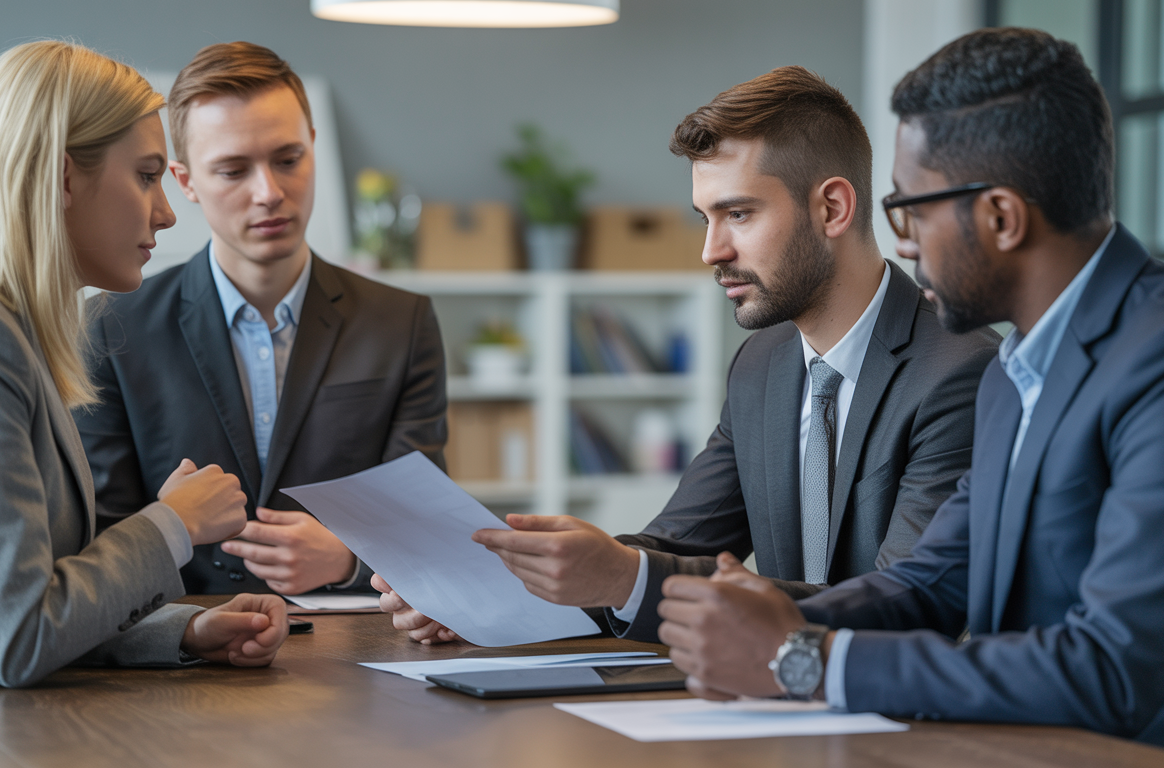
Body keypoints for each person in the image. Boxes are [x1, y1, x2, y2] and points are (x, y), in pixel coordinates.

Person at [656, 28, 1164, 766]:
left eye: (913, 212)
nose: (902, 243)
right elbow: (932, 582)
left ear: (1000, 217)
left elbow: (1110, 668)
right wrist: (763, 618)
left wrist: (802, 658)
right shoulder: (1019, 365)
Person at [376, 66, 997, 644]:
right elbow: (674, 543)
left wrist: (624, 577)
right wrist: (482, 596)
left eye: (738, 214)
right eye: (705, 217)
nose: (710, 251)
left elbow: (906, 605)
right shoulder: (762, 365)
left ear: (832, 208)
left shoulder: (959, 372)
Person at [0, 40, 288, 687]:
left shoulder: (15, 332)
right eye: (146, 176)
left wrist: (181, 631)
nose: (168, 213)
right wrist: (175, 523)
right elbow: (16, 638)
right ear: (61, 177)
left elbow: (5, 618)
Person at [76, 42, 448, 596]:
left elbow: (427, 523)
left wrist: (350, 561)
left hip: (360, 649)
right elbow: (100, 536)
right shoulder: (112, 326)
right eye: (232, 170)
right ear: (186, 182)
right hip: (178, 646)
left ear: (314, 149)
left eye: (288, 159)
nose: (269, 193)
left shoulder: (402, 321)